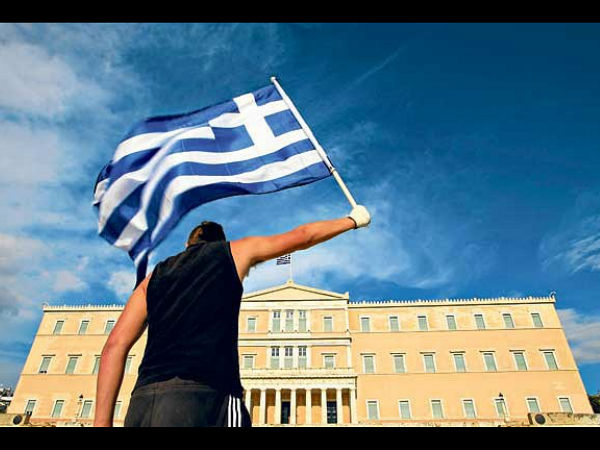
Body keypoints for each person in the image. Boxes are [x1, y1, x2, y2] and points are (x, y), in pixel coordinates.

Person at [93, 205, 371, 427]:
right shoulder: (233, 252)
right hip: (207, 395)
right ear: (221, 241)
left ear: (188, 243)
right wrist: (352, 220)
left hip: (143, 402)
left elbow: (114, 347)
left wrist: (102, 422)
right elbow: (303, 236)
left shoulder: (152, 279)